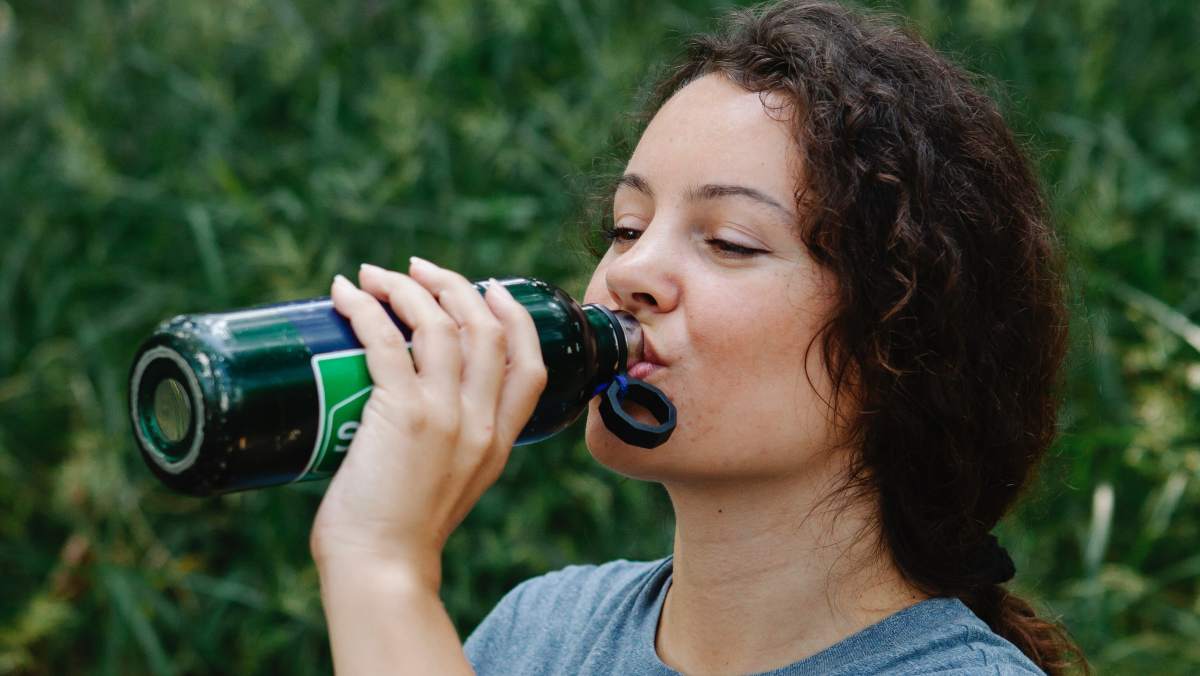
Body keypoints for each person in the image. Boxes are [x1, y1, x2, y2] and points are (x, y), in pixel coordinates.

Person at [309, 1, 1088, 674]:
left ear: (899, 338)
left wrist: (382, 567)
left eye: (730, 242)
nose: (630, 271)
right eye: (626, 226)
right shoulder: (539, 631)